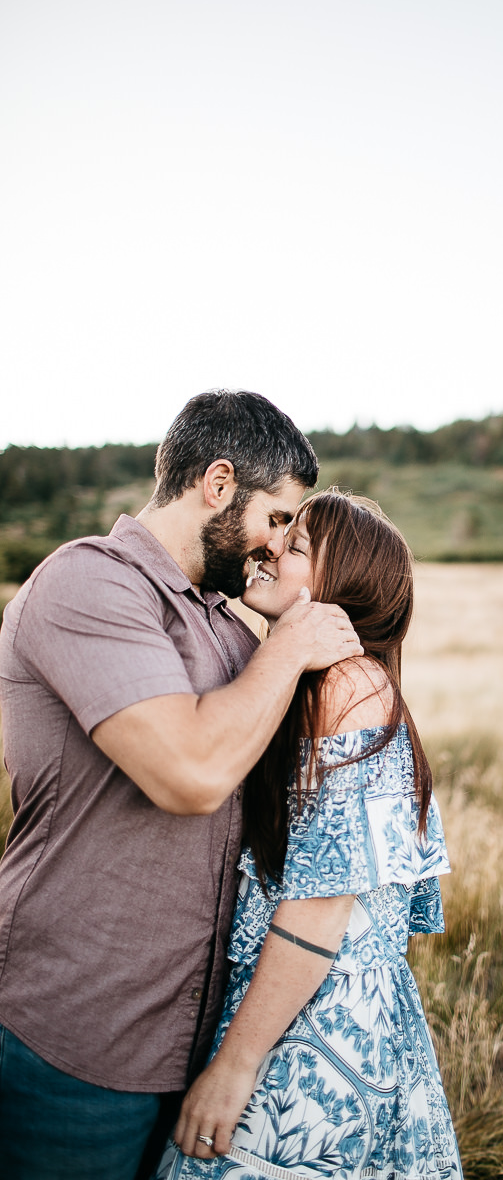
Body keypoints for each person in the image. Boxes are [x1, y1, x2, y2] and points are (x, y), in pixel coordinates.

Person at [0, 391, 362, 1180]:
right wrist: (290, 645)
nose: (274, 549)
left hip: (190, 1046)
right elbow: (191, 775)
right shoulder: (88, 584)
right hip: (69, 1042)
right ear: (219, 484)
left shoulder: (229, 624)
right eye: (276, 519)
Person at [155, 489, 462, 1180]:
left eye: (296, 548)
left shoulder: (347, 688)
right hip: (295, 1004)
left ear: (338, 590)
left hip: (315, 1024)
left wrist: (235, 1067)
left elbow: (322, 907)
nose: (269, 548)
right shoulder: (308, 679)